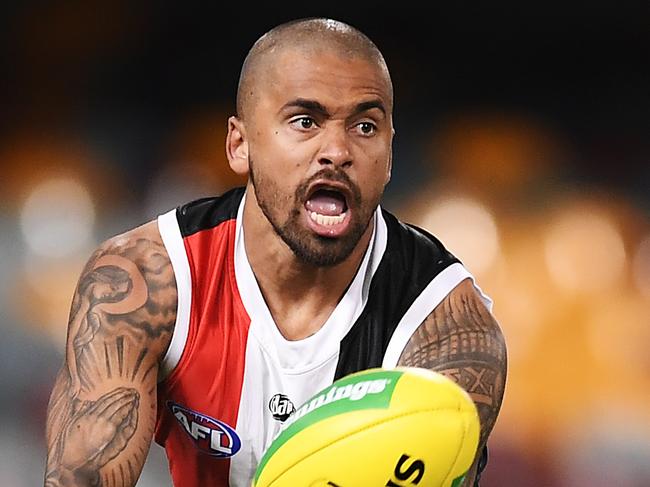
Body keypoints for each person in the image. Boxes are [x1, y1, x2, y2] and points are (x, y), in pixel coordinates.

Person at [43, 17, 507, 487]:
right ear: (239, 145)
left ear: (390, 156)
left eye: (365, 126)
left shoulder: (446, 324)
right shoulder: (142, 283)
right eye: (305, 122)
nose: (337, 151)